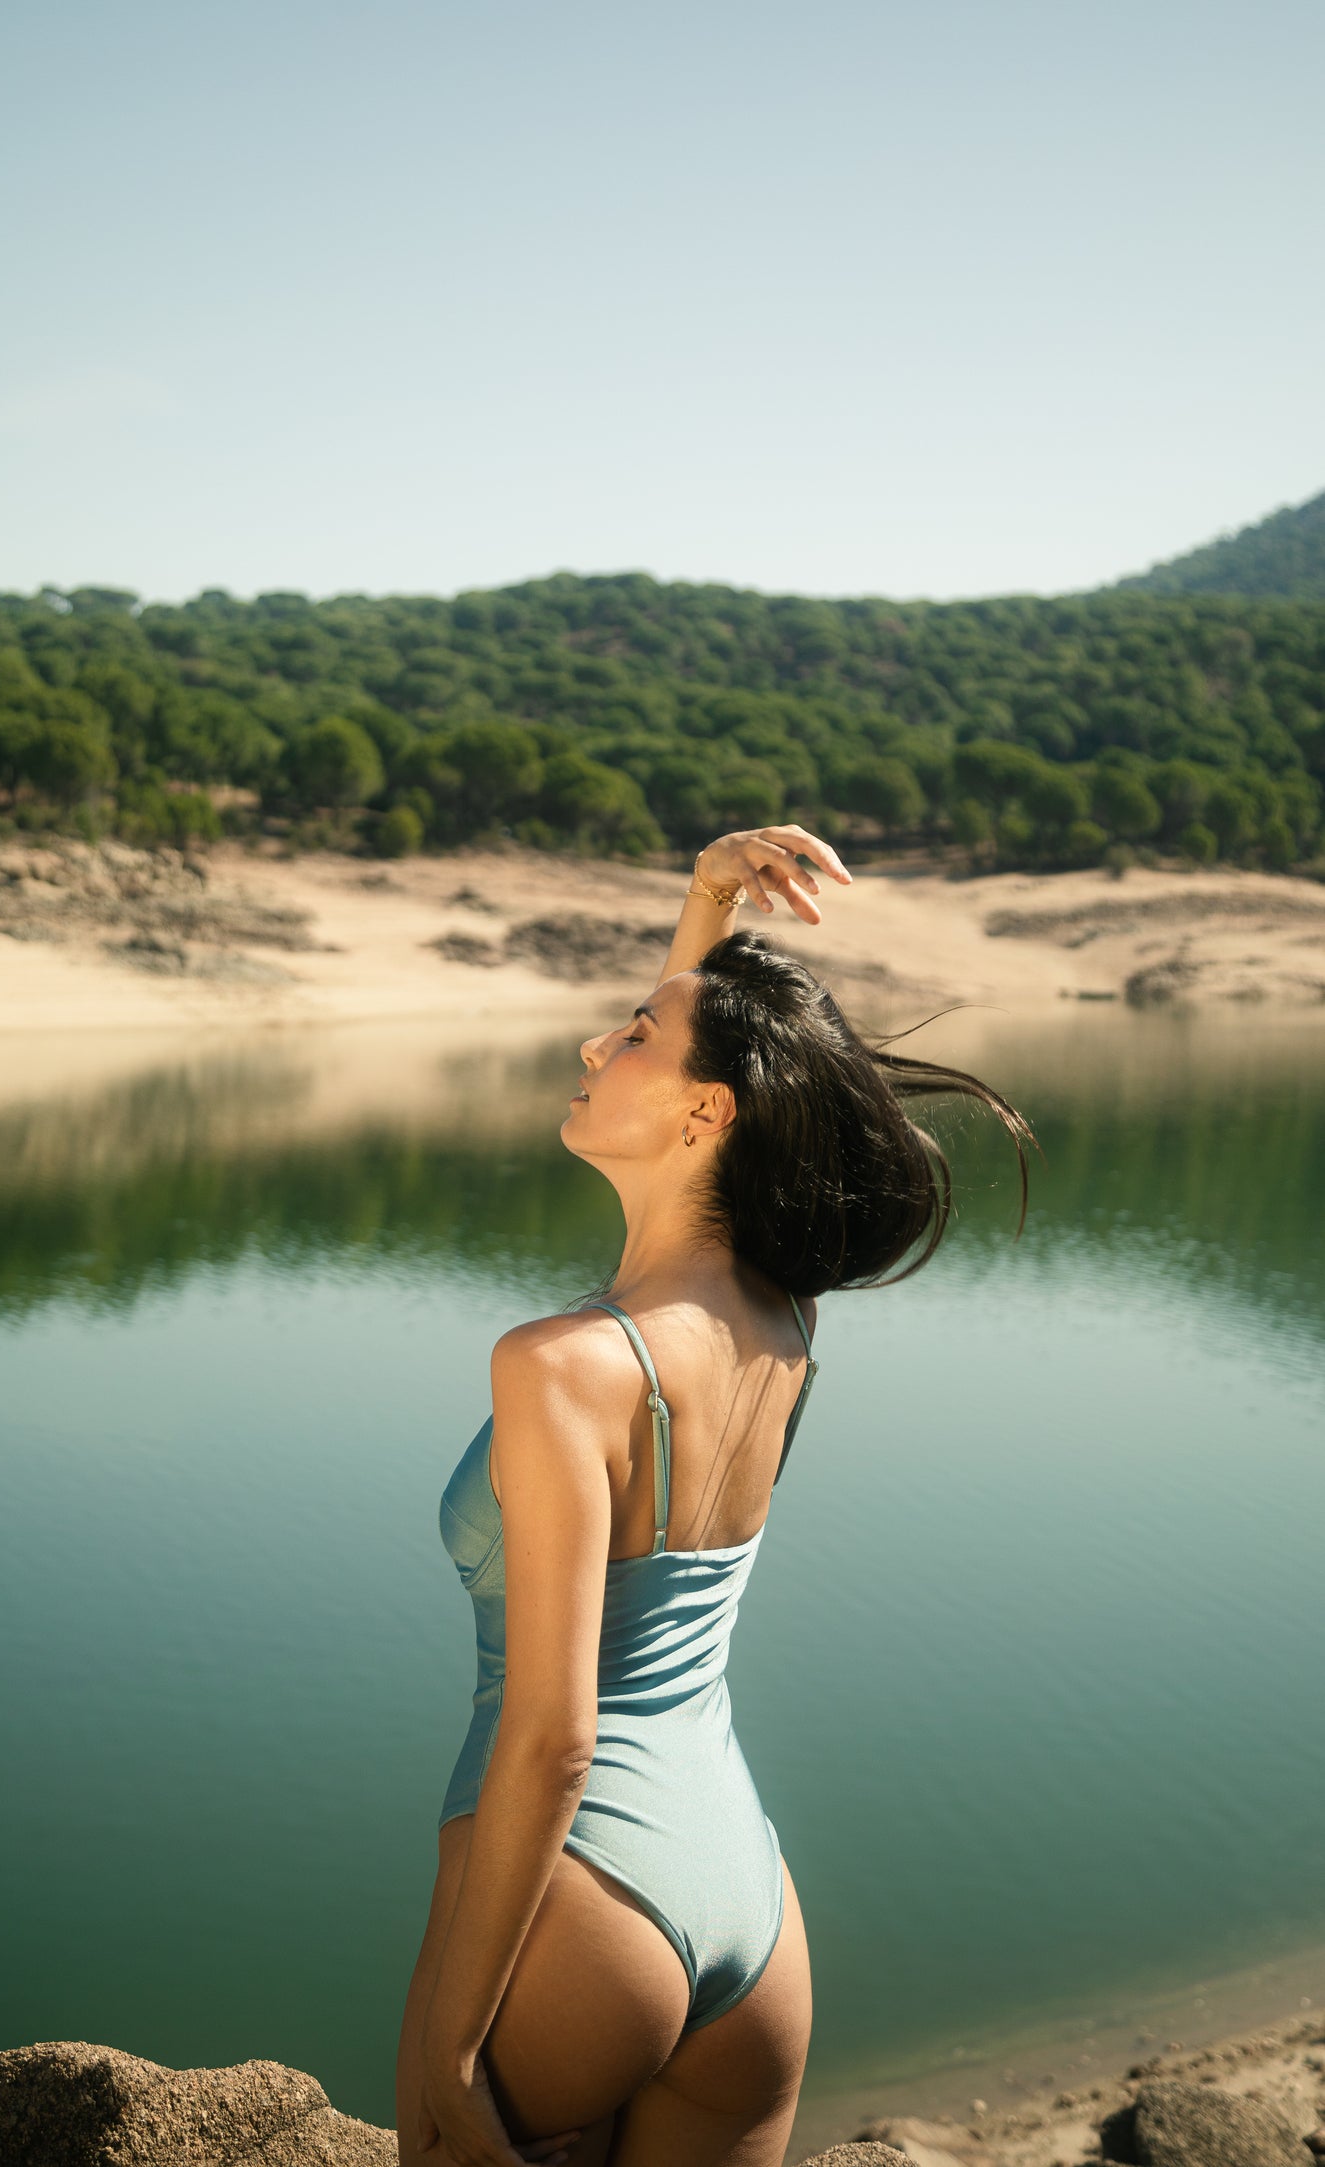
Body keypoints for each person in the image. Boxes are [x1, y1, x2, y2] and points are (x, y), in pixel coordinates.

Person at [395, 824, 1034, 2167]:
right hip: (741, 1895)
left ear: (702, 1116)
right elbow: (700, 1134)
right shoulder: (775, 1322)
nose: (592, 1048)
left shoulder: (561, 1367)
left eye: (626, 1034)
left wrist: (450, 2049)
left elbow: (554, 1738)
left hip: (582, 1899)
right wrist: (701, 915)